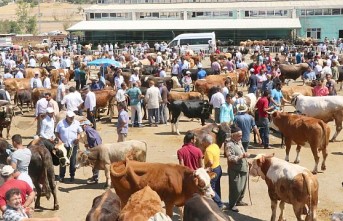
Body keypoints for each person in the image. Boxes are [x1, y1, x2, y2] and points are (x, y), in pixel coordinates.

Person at [224, 124, 249, 213]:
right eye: (239, 135)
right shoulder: (229, 144)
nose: (241, 137)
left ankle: (239, 201)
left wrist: (246, 158)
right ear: (233, 135)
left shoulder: (239, 141)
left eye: (241, 135)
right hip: (235, 170)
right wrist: (241, 156)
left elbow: (242, 150)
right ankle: (232, 204)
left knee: (242, 187)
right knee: (236, 188)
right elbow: (230, 158)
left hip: (243, 168)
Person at [55, 111, 83, 183]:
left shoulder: (76, 123)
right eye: (70, 117)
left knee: (72, 161)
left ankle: (72, 176)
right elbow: (56, 132)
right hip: (63, 145)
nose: (71, 118)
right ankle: (61, 176)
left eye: (72, 117)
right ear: (66, 117)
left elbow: (80, 132)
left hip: (73, 145)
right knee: (63, 160)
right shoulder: (60, 123)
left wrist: (78, 138)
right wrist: (59, 140)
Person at [203, 134, 226, 210]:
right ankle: (218, 201)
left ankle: (219, 204)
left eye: (203, 141)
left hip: (212, 170)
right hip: (218, 168)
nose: (202, 143)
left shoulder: (208, 150)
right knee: (216, 186)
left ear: (206, 142)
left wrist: (205, 166)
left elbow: (210, 162)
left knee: (211, 188)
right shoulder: (215, 146)